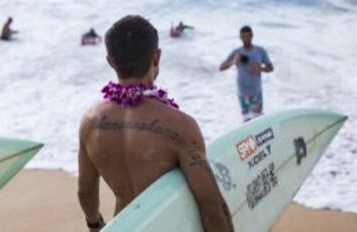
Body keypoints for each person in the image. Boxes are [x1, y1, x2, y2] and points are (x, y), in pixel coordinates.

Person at [78, 15, 235, 232]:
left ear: (110, 61)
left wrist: (95, 224)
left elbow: (85, 189)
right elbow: (212, 208)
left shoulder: (90, 121)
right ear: (157, 57)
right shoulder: (179, 127)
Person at [219, 26, 274, 122]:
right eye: (242, 37)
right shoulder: (237, 52)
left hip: (256, 91)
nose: (245, 39)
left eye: (247, 36)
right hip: (243, 92)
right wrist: (233, 61)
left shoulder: (260, 50)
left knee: (258, 119)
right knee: (247, 121)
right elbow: (221, 68)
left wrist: (261, 68)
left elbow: (271, 67)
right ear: (240, 37)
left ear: (252, 36)